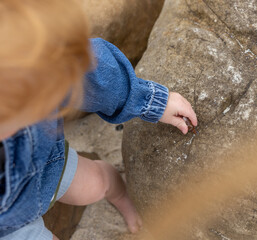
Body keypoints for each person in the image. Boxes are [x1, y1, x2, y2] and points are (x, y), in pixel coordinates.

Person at [0, 0, 197, 239]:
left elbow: (91, 72)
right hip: (9, 226)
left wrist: (151, 101)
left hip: (45, 165)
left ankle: (120, 194)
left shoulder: (28, 55)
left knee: (97, 183)